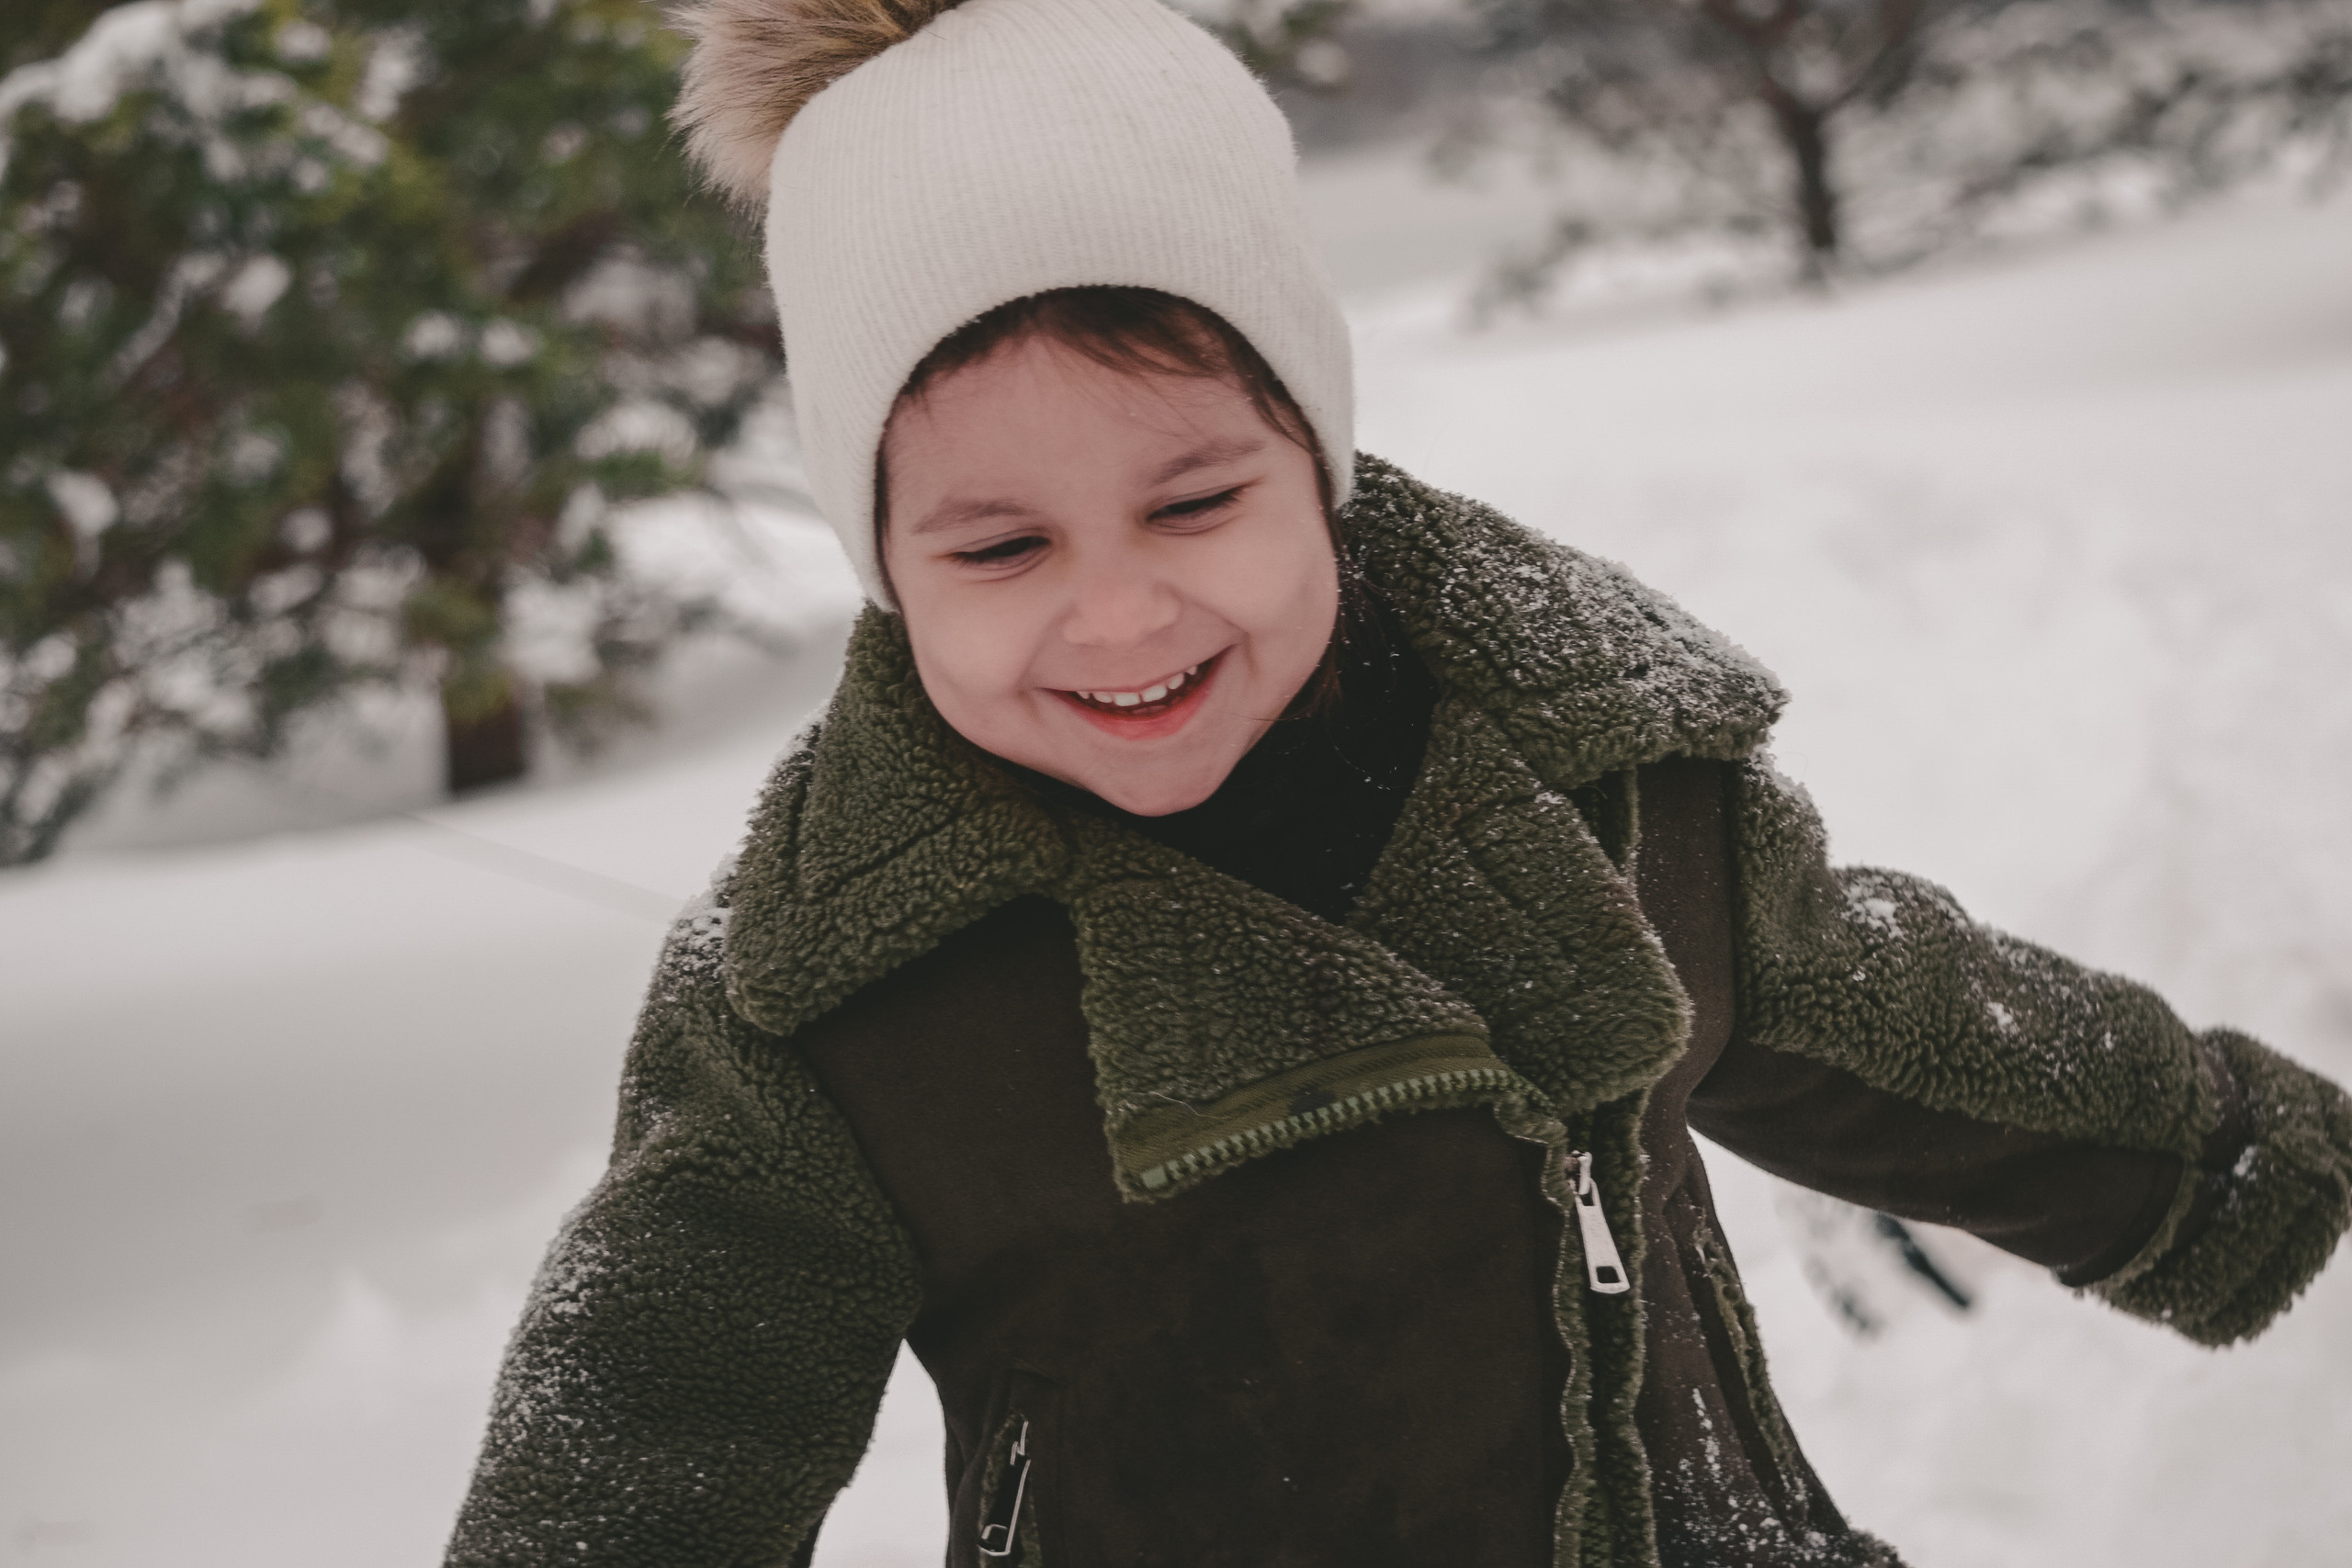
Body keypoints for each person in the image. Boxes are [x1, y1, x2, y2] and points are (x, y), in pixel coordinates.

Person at [442, 0, 2352, 1563]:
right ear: (877, 561)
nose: (1117, 611)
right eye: (994, 549)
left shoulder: (1594, 781)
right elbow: (642, 1431)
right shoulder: (833, 1002)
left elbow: (1886, 1011)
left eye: (1194, 497)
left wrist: (2238, 1165)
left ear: (1319, 466)